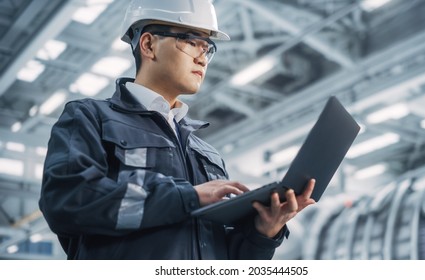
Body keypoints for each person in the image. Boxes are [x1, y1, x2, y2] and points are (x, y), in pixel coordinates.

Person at [39, 0, 316, 260]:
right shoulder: (90, 117)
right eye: (191, 42)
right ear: (148, 45)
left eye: (207, 48)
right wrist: (190, 196)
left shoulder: (207, 154)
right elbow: (67, 202)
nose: (202, 58)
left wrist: (264, 231)